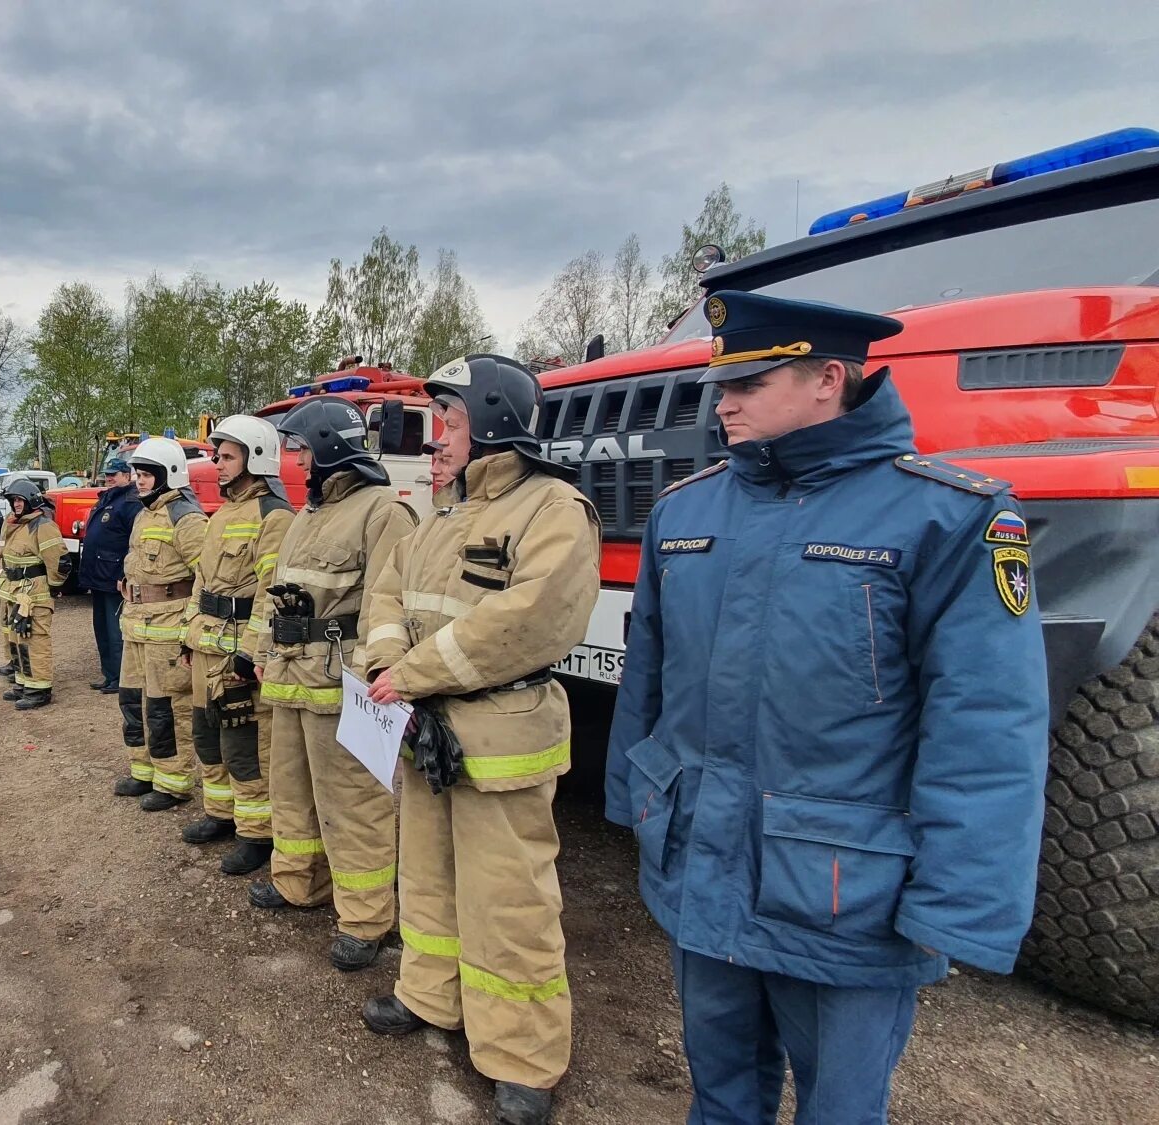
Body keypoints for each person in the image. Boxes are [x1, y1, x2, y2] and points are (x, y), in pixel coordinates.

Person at [604, 292, 1050, 1125]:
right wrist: (634, 800)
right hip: (706, 866)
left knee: (840, 1109)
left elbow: (988, 725)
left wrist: (958, 904)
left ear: (829, 378)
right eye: (721, 383)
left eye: (753, 381)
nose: (724, 402)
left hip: (845, 898)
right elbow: (649, 685)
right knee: (720, 1094)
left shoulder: (947, 517)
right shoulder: (689, 512)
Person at [359, 355, 600, 1125]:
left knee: (509, 898)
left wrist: (414, 671)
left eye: (450, 419)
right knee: (427, 877)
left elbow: (527, 620)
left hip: (500, 736)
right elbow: (386, 590)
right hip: (425, 728)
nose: (436, 438)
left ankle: (523, 1055)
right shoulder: (443, 515)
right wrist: (383, 660)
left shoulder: (554, 508)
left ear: (495, 418)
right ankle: (430, 998)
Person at [251, 397, 417, 971]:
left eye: (299, 448)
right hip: (290, 673)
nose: (293, 460)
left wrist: (378, 671)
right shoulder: (308, 513)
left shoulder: (382, 511)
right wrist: (263, 650)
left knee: (352, 802)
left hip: (341, 680)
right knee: (291, 788)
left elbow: (388, 602)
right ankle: (299, 883)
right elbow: (277, 590)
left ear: (327, 447)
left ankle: (367, 918)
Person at [182, 415, 294, 876]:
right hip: (206, 646)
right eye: (218, 455)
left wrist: (252, 652)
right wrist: (188, 629)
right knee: (208, 738)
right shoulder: (222, 512)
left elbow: (273, 591)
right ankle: (221, 814)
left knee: (246, 746)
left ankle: (257, 835)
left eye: (227, 456)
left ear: (256, 457)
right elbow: (202, 580)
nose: (218, 464)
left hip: (236, 654)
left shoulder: (274, 516)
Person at [113, 438, 208, 805]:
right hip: (136, 626)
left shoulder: (187, 519)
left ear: (168, 475)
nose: (138, 480)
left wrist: (190, 629)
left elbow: (207, 577)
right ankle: (144, 770)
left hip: (167, 633)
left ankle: (173, 782)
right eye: (137, 473)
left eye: (146, 474)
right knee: (133, 702)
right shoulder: (143, 514)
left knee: (166, 709)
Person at [0, 478, 68, 709]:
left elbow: (59, 561)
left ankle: (39, 689)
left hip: (34, 595)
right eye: (13, 500)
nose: (16, 504)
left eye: (20, 500)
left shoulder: (43, 525)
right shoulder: (13, 523)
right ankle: (23, 683)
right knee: (16, 639)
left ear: (31, 501)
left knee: (34, 641)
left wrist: (54, 587)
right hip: (14, 592)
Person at [82, 455, 143, 693]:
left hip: (113, 577)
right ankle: (108, 674)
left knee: (115, 631)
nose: (108, 478)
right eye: (107, 475)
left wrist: (124, 575)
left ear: (127, 477)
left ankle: (120, 677)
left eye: (113, 475)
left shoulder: (130, 502)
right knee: (102, 629)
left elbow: (133, 543)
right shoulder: (107, 498)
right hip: (98, 575)